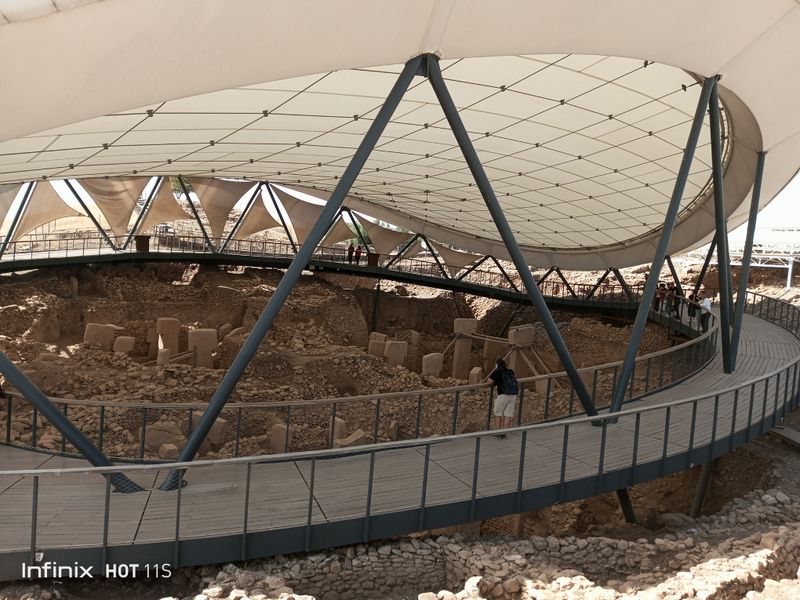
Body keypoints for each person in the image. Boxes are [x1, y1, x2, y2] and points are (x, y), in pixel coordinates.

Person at [488, 358, 518, 437]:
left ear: (497, 365)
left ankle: (498, 432)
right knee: (508, 414)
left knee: (498, 413)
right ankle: (504, 432)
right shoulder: (510, 371)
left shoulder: (497, 372)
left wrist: (496, 381)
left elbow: (489, 382)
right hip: (513, 395)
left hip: (503, 395)